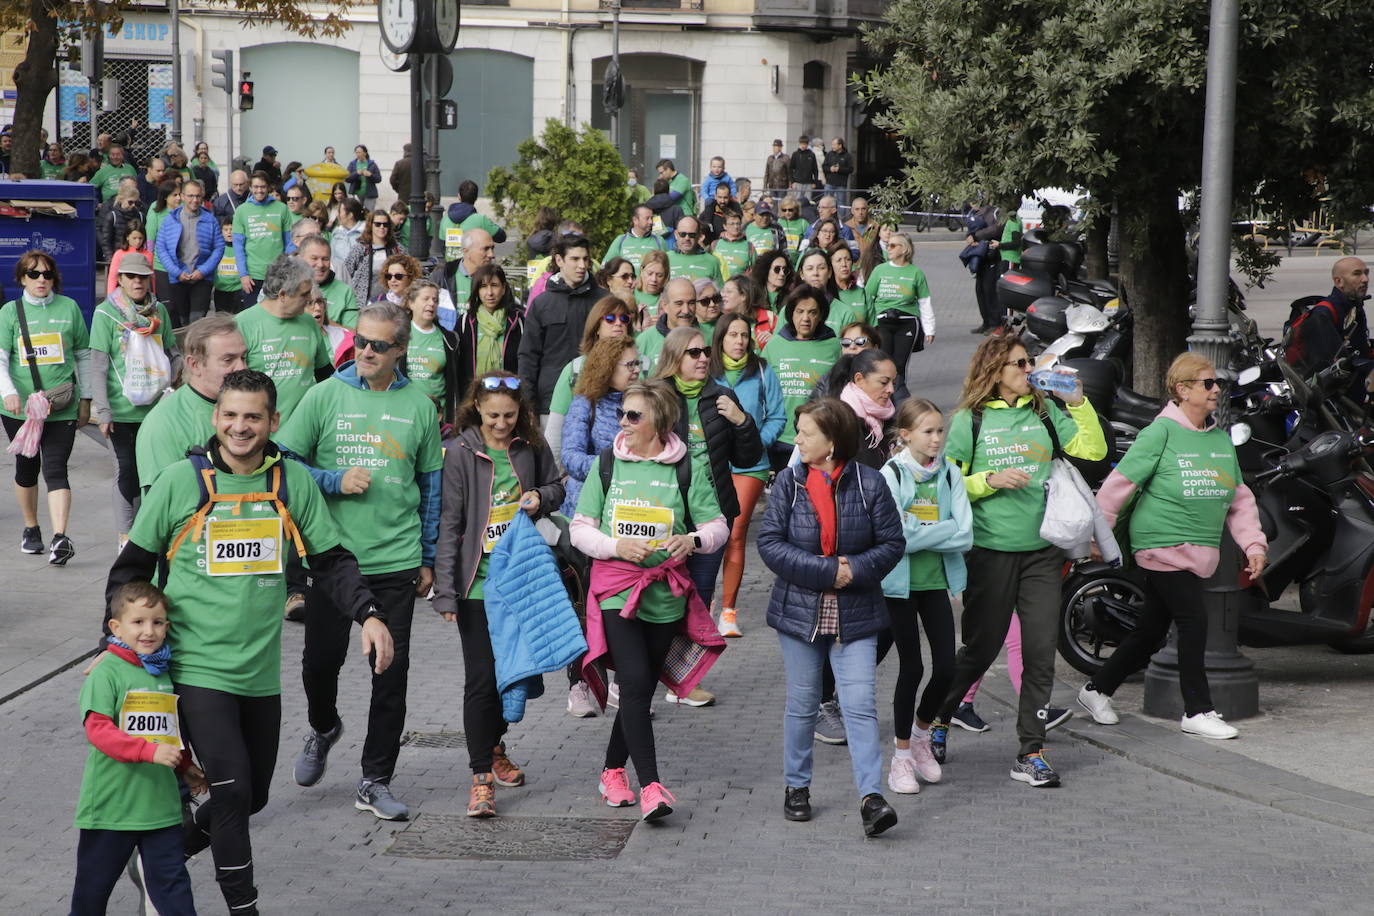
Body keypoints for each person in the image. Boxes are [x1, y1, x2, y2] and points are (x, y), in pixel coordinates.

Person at [106, 369, 394, 914]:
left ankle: (159, 858)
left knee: (253, 795)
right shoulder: (180, 482)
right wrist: (118, 645)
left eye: (253, 417)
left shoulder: (290, 483)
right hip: (195, 666)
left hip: (259, 672)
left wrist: (370, 614)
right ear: (215, 418)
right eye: (231, 415)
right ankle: (245, 906)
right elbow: (131, 571)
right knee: (232, 789)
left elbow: (331, 562)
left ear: (273, 421)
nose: (241, 427)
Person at [278, 302, 443, 820]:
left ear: (401, 349)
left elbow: (431, 487)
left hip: (395, 558)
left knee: (390, 674)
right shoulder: (324, 395)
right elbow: (284, 462)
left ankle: (375, 778)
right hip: (332, 558)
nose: (366, 352)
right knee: (319, 663)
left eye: (378, 345)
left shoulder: (420, 405)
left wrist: (429, 556)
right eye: (361, 341)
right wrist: (333, 480)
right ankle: (324, 726)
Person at [932, 335, 1106, 788]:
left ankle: (1031, 751)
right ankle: (937, 718)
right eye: (1019, 364)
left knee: (1040, 652)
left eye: (1030, 362)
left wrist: (1080, 403)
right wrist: (989, 479)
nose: (1029, 370)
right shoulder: (969, 420)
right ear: (995, 371)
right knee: (980, 649)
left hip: (1042, 554)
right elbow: (945, 483)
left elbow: (1094, 451)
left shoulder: (1045, 414)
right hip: (989, 554)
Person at [1079, 353, 1266, 740]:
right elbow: (1119, 487)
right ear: (1182, 390)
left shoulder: (1217, 439)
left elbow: (1240, 499)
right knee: (1194, 620)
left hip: (1199, 551)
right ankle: (1197, 710)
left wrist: (1253, 545)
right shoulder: (1160, 433)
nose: (1216, 390)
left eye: (1217, 384)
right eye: (1207, 383)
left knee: (1150, 631)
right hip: (1160, 544)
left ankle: (1096, 689)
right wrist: (1099, 536)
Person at [571, 379, 728, 821]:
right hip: (615, 590)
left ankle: (611, 771)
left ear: (660, 420)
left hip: (666, 594)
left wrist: (692, 540)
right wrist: (616, 547)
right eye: (623, 413)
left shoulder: (685, 467)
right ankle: (652, 787)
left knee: (640, 690)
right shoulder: (608, 464)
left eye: (634, 415)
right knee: (637, 681)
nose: (624, 422)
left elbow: (719, 526)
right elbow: (580, 528)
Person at [757, 397, 904, 834]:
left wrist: (854, 571)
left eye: (806, 432)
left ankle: (871, 798)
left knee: (859, 705)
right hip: (801, 612)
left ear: (833, 441)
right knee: (803, 705)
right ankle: (796, 787)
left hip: (856, 612)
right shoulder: (788, 482)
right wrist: (829, 570)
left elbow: (892, 544)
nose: (797, 439)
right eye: (798, 431)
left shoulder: (871, 484)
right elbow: (770, 544)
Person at [432, 370, 564, 815]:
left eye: (509, 415)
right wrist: (446, 592)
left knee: (516, 674)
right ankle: (481, 777)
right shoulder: (459, 452)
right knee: (482, 680)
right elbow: (450, 523)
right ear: (477, 410)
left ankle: (494, 745)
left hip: (522, 580)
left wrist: (539, 498)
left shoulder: (531, 445)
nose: (502, 424)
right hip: (476, 586)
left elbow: (557, 487)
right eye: (493, 416)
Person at [70, 581, 207, 916]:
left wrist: (184, 765)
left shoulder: (163, 672)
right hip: (111, 809)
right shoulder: (106, 672)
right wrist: (149, 752)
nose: (150, 631)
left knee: (173, 888)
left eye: (158, 622)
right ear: (116, 627)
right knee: (92, 892)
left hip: (161, 809)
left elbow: (167, 735)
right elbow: (98, 730)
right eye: (139, 622)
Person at [652, 324, 763, 699]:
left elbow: (746, 458)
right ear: (674, 358)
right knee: (660, 597)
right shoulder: (658, 397)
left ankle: (684, 681)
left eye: (704, 352)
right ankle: (647, 673)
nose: (703, 359)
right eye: (693, 353)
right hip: (666, 516)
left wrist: (741, 421)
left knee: (698, 595)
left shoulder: (722, 397)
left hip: (711, 517)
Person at [876, 398, 971, 793]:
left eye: (939, 431)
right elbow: (899, 539)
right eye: (928, 431)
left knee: (947, 669)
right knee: (912, 669)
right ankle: (899, 759)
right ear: (906, 434)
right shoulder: (891, 475)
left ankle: (920, 738)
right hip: (898, 586)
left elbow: (966, 534)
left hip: (936, 583)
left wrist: (923, 532)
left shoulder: (950, 474)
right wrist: (940, 529)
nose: (936, 439)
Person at [0, 251, 90, 564]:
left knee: (56, 468)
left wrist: (87, 399)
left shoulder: (69, 308)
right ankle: (31, 528)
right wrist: (9, 392)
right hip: (20, 411)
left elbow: (83, 355)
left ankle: (60, 537)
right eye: (34, 274)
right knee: (27, 470)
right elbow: (0, 359)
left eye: (47, 274)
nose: (41, 280)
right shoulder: (10, 312)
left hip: (60, 406)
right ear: (22, 278)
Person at [89, 252, 181, 541]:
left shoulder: (159, 312)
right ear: (120, 280)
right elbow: (98, 365)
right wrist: (102, 411)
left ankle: (147, 532)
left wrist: (174, 373)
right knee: (126, 472)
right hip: (120, 410)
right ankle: (125, 537)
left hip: (156, 411)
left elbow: (172, 351)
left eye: (142, 276)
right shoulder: (105, 313)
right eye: (131, 276)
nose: (137, 282)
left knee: (152, 474)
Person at [710, 312, 785, 637]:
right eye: (733, 335)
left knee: (735, 530)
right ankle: (706, 599)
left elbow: (778, 416)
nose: (740, 341)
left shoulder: (763, 369)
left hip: (750, 465)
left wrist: (755, 442)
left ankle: (728, 610)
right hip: (710, 464)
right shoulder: (708, 370)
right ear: (721, 339)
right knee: (708, 535)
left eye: (744, 335)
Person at [133, 315, 246, 492]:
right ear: (194, 364)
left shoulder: (248, 409)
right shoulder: (163, 424)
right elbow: (164, 504)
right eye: (228, 360)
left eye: (243, 357)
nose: (241, 368)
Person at [236, 254, 333, 424]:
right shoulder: (241, 325)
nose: (310, 299)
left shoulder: (309, 323)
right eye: (304, 295)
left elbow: (325, 374)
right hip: (262, 435)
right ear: (282, 295)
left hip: (305, 432)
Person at [544, 295, 635, 465]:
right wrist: (560, 480)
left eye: (624, 318)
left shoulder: (639, 368)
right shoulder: (575, 370)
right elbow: (555, 433)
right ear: (596, 327)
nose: (618, 323)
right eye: (609, 318)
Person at [518, 234, 601, 417]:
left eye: (586, 259)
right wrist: (528, 405)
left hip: (595, 399)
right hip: (549, 403)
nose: (582, 265)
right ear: (559, 260)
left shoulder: (603, 300)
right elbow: (528, 357)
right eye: (575, 259)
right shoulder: (541, 303)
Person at [761, 285, 840, 471]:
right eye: (800, 311)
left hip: (819, 441)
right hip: (779, 438)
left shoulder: (834, 346)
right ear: (790, 313)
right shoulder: (774, 346)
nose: (805, 318)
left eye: (812, 312)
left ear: (821, 315)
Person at [1286, 256, 1371, 383]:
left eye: (1366, 273)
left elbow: (1361, 348)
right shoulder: (1323, 314)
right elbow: (1330, 365)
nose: (1365, 279)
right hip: (1331, 394)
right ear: (1339, 282)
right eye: (1357, 274)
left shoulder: (1354, 306)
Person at [864, 231, 935, 385]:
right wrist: (868, 324)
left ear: (904, 249)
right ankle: (885, 396)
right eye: (888, 245)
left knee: (900, 364)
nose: (888, 248)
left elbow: (924, 301)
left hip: (907, 321)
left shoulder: (916, 273)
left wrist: (929, 329)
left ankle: (898, 397)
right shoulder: (880, 270)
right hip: (883, 320)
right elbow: (868, 298)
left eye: (893, 245)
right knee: (885, 360)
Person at [454, 264, 524, 419]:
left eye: (494, 285)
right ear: (477, 291)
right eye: (483, 286)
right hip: (474, 401)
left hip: (508, 400)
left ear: (504, 288)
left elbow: (524, 362)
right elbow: (458, 367)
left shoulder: (517, 321)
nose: (489, 293)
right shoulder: (466, 322)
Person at [157, 179, 223, 328]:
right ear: (183, 196)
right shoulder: (170, 220)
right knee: (179, 321)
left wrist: (203, 271)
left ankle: (196, 350)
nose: (195, 200)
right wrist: (176, 272)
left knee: (198, 321)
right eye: (191, 196)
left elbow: (218, 248)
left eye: (198, 196)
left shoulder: (210, 220)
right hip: (178, 278)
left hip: (202, 278)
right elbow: (161, 249)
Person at [232, 171, 294, 308]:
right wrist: (243, 275)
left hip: (278, 274)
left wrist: (288, 269)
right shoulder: (241, 211)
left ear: (269, 187)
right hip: (253, 276)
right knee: (252, 318)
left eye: (263, 187)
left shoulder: (282, 209)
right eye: (256, 187)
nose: (259, 190)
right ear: (250, 187)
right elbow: (238, 247)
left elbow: (289, 242)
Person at [434, 226, 497, 330]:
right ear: (466, 251)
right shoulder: (442, 276)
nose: (491, 254)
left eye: (492, 248)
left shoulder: (496, 277)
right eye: (485, 249)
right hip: (448, 341)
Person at [637, 276, 697, 371]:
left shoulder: (708, 337)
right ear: (665, 306)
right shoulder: (645, 341)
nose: (686, 310)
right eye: (679, 303)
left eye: (691, 303)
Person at [299, 232, 358, 329]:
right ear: (301, 259)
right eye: (314, 258)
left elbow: (353, 333)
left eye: (325, 259)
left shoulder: (345, 291)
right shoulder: (289, 288)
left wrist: (323, 320)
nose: (320, 264)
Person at [439, 179, 507, 260]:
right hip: (473, 268)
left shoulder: (445, 219)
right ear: (476, 198)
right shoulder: (481, 220)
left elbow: (442, 247)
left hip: (450, 269)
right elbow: (501, 237)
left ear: (459, 196)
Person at [965, 201, 1006, 334]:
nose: (972, 205)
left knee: (990, 290)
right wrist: (970, 237)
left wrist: (977, 236)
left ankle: (995, 323)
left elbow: (997, 229)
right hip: (981, 255)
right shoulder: (977, 212)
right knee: (980, 290)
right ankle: (986, 322)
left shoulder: (997, 211)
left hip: (993, 255)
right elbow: (972, 229)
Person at [798, 248, 859, 334]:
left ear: (830, 272)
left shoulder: (845, 313)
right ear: (801, 274)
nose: (815, 273)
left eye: (821, 268)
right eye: (810, 268)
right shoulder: (790, 309)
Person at [605, 204, 666, 272]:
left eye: (652, 218)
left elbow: (667, 267)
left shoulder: (659, 241)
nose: (651, 222)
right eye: (647, 218)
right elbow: (606, 267)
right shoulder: (620, 240)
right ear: (635, 220)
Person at [305, 285, 354, 368]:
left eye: (320, 301)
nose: (318, 308)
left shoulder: (344, 338)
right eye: (310, 303)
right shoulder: (288, 339)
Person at [667, 217, 724, 285]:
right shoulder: (666, 258)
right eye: (683, 234)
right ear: (676, 234)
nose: (687, 238)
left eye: (692, 235)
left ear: (699, 236)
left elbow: (719, 292)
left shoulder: (712, 262)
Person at [99, 183, 144, 263]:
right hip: (117, 257)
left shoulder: (140, 216)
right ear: (121, 199)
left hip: (136, 257)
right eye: (130, 202)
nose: (133, 205)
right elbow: (106, 241)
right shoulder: (112, 216)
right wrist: (111, 259)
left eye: (136, 203)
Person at [106, 219, 150, 293]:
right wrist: (110, 296)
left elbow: (151, 278)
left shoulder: (148, 255)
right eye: (134, 238)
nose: (138, 241)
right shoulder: (119, 254)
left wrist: (153, 294)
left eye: (140, 238)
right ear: (127, 237)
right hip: (122, 293)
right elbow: (113, 277)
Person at [710, 210, 756, 279]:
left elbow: (755, 270)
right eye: (732, 224)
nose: (736, 227)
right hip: (719, 287)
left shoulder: (749, 246)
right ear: (725, 226)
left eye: (738, 224)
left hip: (741, 286)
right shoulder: (715, 244)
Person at [750, 247, 796, 312]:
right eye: (777, 269)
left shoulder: (791, 298)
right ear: (766, 270)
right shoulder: (753, 295)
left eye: (785, 270)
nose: (782, 274)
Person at [634, 249, 669, 324]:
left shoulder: (669, 298)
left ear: (665, 277)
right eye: (650, 273)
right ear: (641, 271)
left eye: (659, 275)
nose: (654, 279)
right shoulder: (630, 293)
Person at [330, 198, 366, 267]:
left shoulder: (366, 234)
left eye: (339, 212)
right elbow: (332, 257)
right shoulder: (337, 233)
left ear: (350, 215)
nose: (337, 215)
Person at [788, 136, 820, 207]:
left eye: (804, 144)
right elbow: (790, 169)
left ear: (807, 144)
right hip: (797, 182)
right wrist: (792, 182)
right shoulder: (795, 154)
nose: (803, 146)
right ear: (799, 144)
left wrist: (815, 182)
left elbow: (815, 169)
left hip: (808, 183)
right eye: (802, 144)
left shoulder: (811, 154)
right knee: (796, 202)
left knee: (808, 202)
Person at [822, 138, 853, 206]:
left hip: (841, 184)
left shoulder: (847, 156)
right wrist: (830, 169)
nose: (832, 146)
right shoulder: (829, 154)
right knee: (827, 202)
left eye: (834, 144)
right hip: (829, 183)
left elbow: (850, 169)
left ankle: (841, 217)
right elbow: (824, 167)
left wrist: (839, 169)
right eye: (832, 144)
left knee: (841, 203)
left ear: (840, 145)